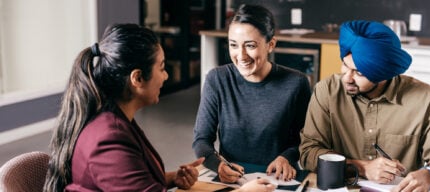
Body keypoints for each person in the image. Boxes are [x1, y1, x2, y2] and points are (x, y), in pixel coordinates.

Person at [42, 24, 274, 192]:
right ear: (137, 78)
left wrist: (170, 179)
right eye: (162, 67)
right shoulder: (108, 138)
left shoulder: (115, 119)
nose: (166, 75)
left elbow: (123, 179)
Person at [299, 20, 430, 192]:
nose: (347, 78)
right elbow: (308, 152)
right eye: (345, 65)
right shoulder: (327, 91)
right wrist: (362, 167)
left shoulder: (428, 101)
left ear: (384, 75)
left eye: (359, 73)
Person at [193, 4, 311, 184]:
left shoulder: (297, 83)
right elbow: (202, 139)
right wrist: (217, 164)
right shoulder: (217, 79)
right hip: (233, 179)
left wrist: (286, 157)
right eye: (233, 45)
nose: (241, 55)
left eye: (250, 45)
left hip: (278, 179)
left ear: (271, 44)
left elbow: (305, 139)